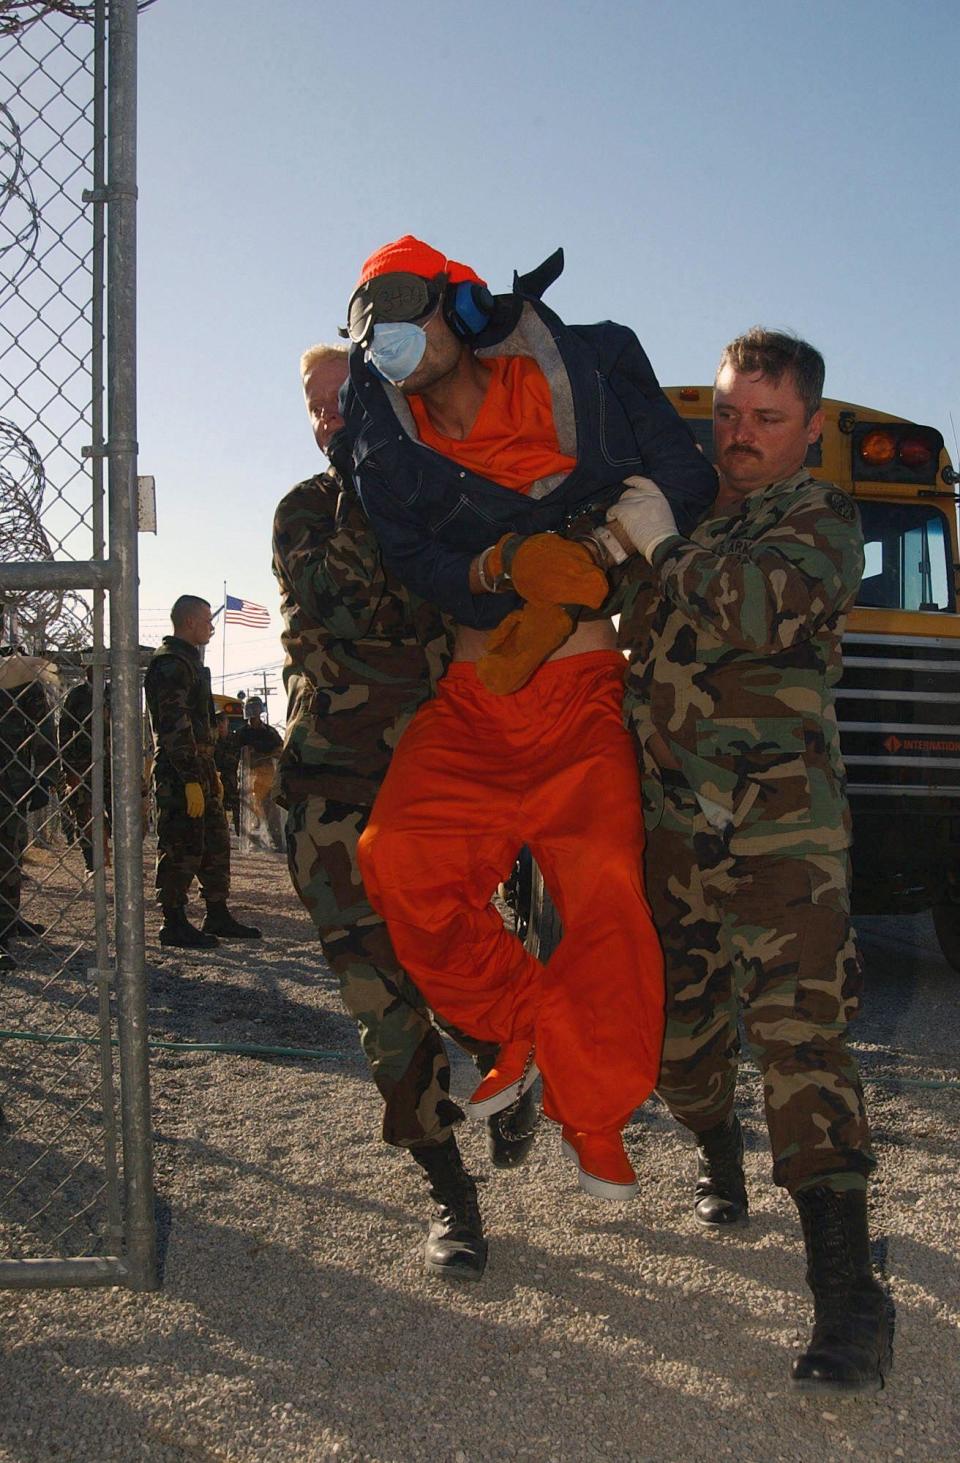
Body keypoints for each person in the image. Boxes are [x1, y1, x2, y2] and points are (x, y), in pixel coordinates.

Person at [341, 235, 717, 1203]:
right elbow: (416, 563)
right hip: (473, 700)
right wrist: (497, 569)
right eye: (367, 328)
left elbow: (686, 476)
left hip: (584, 689)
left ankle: (593, 1113)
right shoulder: (381, 441)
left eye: (401, 313)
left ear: (459, 306)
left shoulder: (590, 359)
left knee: (601, 892)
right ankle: (527, 1022)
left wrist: (601, 540)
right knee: (398, 857)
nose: (387, 340)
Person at [615, 327, 890, 1393]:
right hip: (673, 824)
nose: (739, 436)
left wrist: (660, 546)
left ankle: (849, 1299)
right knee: (680, 1042)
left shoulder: (823, 517)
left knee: (800, 1040)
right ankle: (715, 1148)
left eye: (766, 419)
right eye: (727, 414)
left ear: (810, 428)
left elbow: (757, 605)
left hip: (784, 830)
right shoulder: (689, 513)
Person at [273, 343, 536, 1284]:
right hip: (331, 799)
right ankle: (449, 1193)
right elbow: (341, 599)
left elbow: (491, 603)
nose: (329, 417)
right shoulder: (308, 508)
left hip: (432, 798)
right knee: (378, 999)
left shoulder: (445, 494)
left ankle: (506, 1061)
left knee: (449, 960)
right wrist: (369, 478)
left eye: (347, 400)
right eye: (317, 407)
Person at [144, 596, 261, 948]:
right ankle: (174, 921)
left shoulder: (189, 662)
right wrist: (191, 777)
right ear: (191, 622)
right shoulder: (170, 663)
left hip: (201, 766)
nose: (211, 627)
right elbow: (174, 725)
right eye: (207, 620)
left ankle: (216, 912)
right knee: (181, 841)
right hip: (180, 769)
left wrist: (209, 775)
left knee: (213, 840)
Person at [0, 644, 58, 969]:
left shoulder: (17, 670)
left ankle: (7, 919)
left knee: (10, 850)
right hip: (12, 776)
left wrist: (45, 775)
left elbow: (42, 723)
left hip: (10, 778)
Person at [59, 665, 111, 872]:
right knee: (84, 812)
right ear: (85, 669)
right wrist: (68, 767)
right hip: (83, 764)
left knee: (121, 812)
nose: (96, 671)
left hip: (114, 763)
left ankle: (119, 857)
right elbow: (64, 731)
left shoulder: (116, 693)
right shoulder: (77, 696)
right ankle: (92, 862)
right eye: (91, 666)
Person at [234, 697, 283, 850]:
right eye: (252, 715)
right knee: (250, 811)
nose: (254, 718)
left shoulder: (270, 732)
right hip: (249, 776)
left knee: (271, 811)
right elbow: (235, 753)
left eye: (256, 715)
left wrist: (266, 754)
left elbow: (280, 749)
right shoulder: (241, 734)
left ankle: (277, 842)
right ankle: (253, 842)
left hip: (266, 776)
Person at [213, 710, 242, 836]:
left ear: (227, 723)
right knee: (218, 809)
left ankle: (241, 834)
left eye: (222, 722)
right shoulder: (212, 741)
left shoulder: (236, 740)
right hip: (217, 781)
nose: (220, 725)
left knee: (239, 808)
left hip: (234, 780)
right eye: (217, 723)